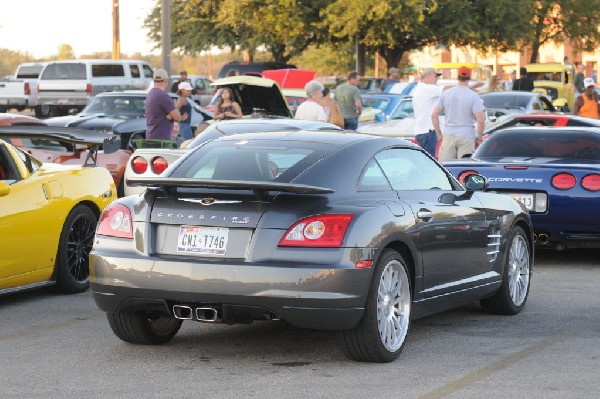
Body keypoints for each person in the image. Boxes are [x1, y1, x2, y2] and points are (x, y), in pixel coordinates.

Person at [432, 66, 486, 162]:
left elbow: (434, 115)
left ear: (457, 77)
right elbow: (481, 120)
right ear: (469, 78)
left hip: (449, 134)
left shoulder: (446, 94)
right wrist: (479, 137)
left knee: (446, 168)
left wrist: (439, 135)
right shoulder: (473, 96)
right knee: (464, 168)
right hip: (467, 136)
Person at [412, 67, 446, 157]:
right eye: (436, 76)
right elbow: (447, 89)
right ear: (428, 76)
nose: (437, 79)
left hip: (423, 131)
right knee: (429, 163)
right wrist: (463, 86)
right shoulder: (427, 88)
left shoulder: (421, 88)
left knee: (425, 161)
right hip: (427, 132)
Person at [145, 68, 185, 140]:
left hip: (151, 136)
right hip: (161, 139)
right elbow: (178, 117)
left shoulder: (150, 94)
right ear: (166, 81)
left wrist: (169, 116)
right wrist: (177, 106)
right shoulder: (163, 96)